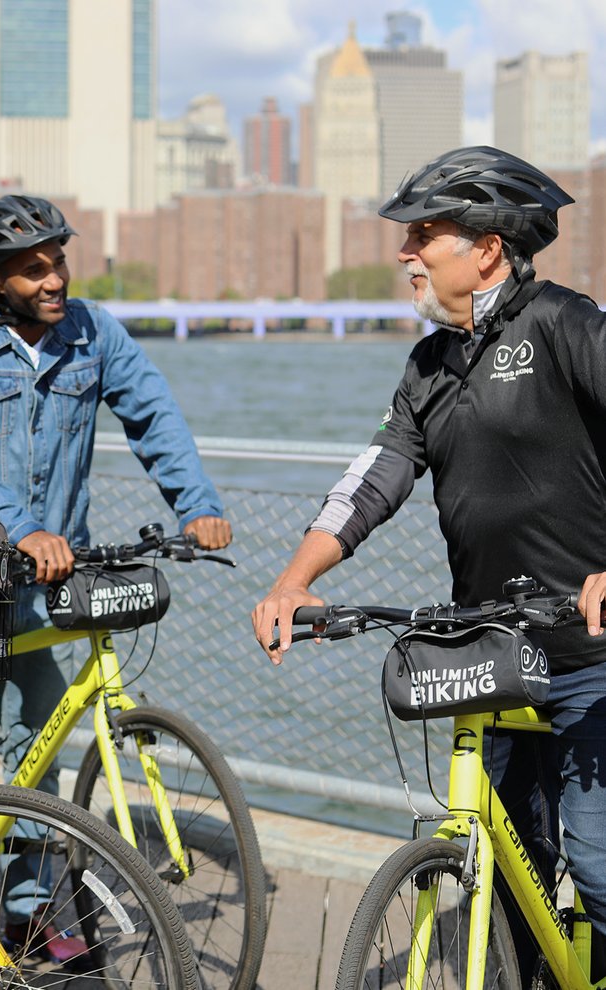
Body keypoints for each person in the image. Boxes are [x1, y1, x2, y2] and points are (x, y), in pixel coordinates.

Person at [249, 145, 606, 977]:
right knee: (506, 865)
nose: (405, 253)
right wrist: (295, 582)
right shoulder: (427, 367)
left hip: (592, 657)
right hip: (495, 658)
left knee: (595, 861)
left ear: (485, 249)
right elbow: (372, 481)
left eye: (424, 235)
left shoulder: (560, 322)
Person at [0, 193, 231, 954]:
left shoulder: (93, 331)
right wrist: (22, 531)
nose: (54, 280)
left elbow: (152, 411)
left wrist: (197, 503)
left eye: (59, 262)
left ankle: (29, 908)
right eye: (34, 269)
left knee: (41, 738)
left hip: (50, 577)